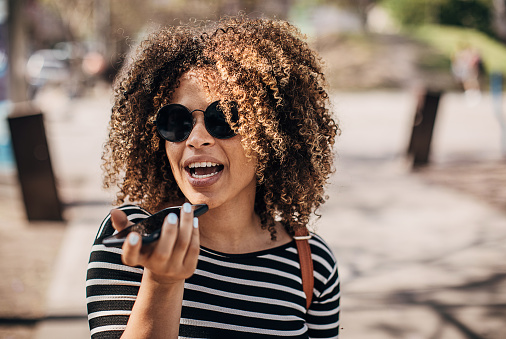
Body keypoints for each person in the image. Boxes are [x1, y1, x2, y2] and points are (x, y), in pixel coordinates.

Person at [87, 15, 340, 338]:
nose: (196, 138)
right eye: (176, 121)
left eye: (224, 117)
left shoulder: (312, 263)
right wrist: (161, 283)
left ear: (271, 135)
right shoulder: (133, 242)